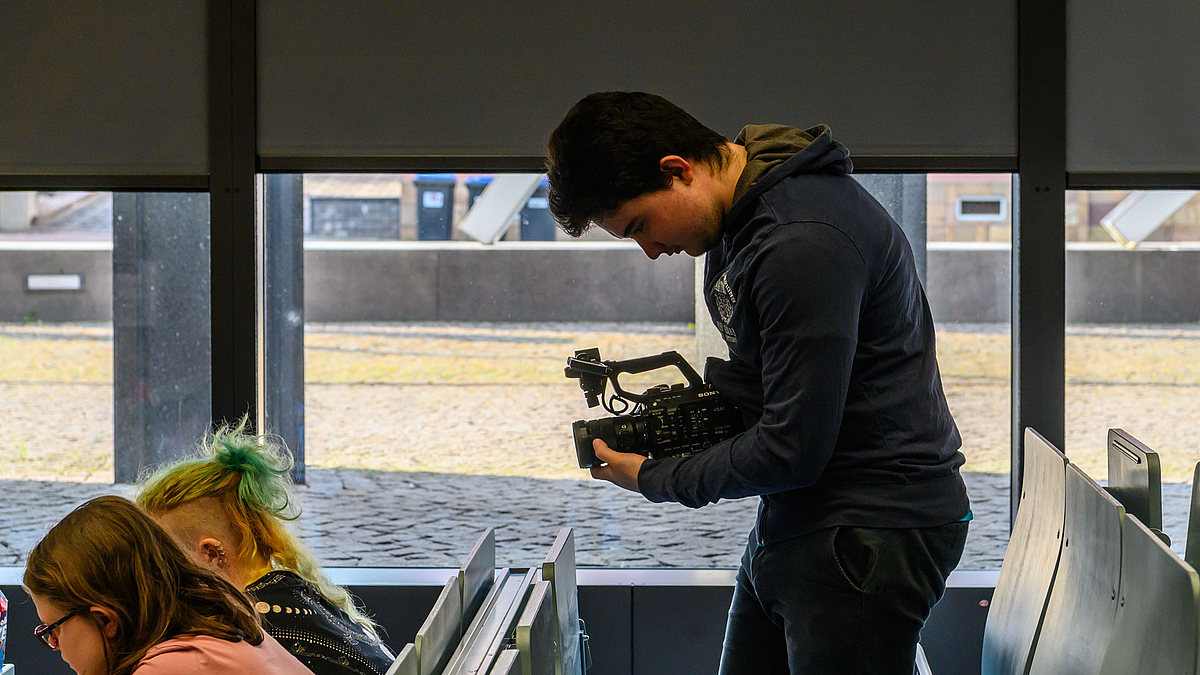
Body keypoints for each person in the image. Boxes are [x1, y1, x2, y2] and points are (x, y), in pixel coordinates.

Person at [546, 91, 971, 674]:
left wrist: (655, 476)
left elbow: (792, 448)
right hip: (807, 515)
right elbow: (765, 389)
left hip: (868, 527)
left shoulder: (801, 240)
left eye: (640, 224)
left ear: (678, 170)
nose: (648, 251)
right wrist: (668, 426)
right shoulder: (740, 225)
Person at [136, 421, 395, 675]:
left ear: (212, 554)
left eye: (165, 558)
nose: (158, 573)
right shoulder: (292, 590)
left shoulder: (248, 629)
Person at [23, 495, 312, 675]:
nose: (54, 643)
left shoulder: (177, 665)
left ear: (105, 619)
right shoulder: (216, 626)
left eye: (54, 628)